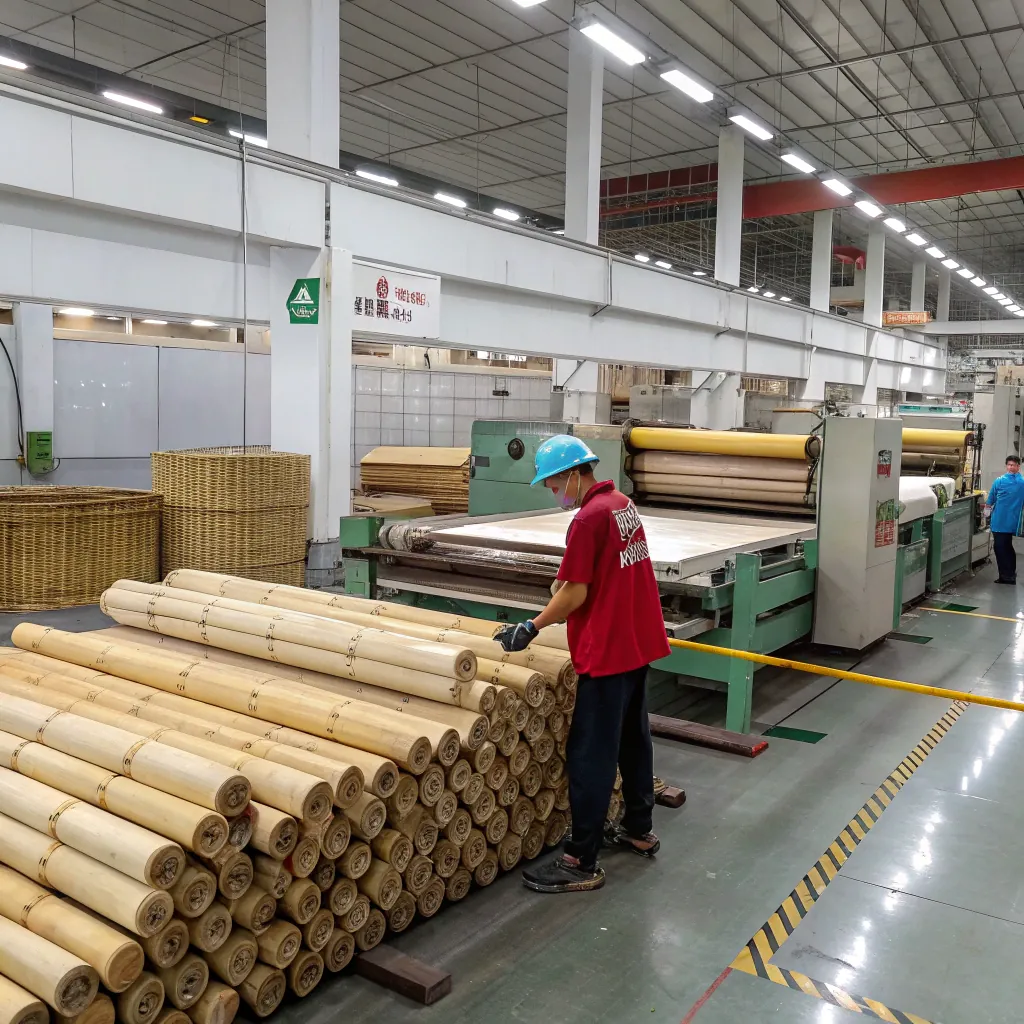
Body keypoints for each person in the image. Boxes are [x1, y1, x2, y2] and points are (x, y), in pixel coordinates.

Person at [495, 435, 670, 894]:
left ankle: (580, 859)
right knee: (633, 739)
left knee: (590, 754)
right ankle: (638, 828)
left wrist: (531, 627)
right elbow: (596, 572)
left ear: (573, 474)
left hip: (608, 650)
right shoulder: (621, 505)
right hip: (636, 643)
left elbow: (576, 593)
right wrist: (564, 582)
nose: (554, 493)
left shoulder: (588, 518)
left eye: (554, 484)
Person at [987, 454, 1024, 584]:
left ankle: (1007, 576)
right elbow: (991, 497)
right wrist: (987, 508)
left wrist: (987, 509)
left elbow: (991, 498)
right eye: (1009, 465)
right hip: (1003, 520)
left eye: (1013, 465)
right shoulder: (1001, 481)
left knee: (1000, 547)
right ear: (1006, 466)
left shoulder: (1020, 483)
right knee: (1006, 547)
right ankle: (1009, 574)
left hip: (1002, 521)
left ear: (1018, 466)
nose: (1011, 467)